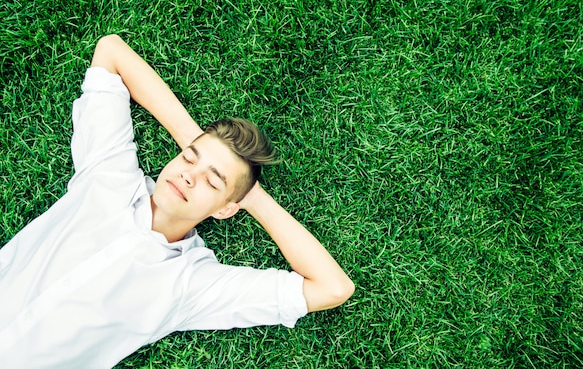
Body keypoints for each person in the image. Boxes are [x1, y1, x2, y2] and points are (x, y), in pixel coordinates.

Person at [0, 34, 355, 368]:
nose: (189, 175)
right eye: (188, 159)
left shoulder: (190, 285)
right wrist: (193, 139)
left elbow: (332, 287)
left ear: (225, 209)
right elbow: (110, 52)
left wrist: (251, 198)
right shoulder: (109, 176)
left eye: (212, 181)